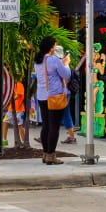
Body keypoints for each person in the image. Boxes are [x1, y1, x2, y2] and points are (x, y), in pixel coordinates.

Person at [34, 35, 71, 165]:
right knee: (54, 126)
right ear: (51, 47)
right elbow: (66, 75)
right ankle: (51, 155)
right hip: (54, 96)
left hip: (42, 96)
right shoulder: (54, 60)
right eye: (55, 45)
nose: (55, 48)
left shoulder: (38, 60)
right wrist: (66, 64)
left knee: (46, 125)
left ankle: (45, 153)